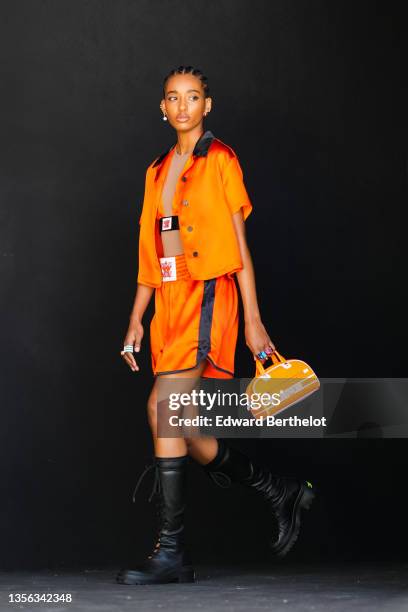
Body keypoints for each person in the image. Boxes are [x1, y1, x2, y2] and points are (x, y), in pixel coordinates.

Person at [116, 66, 315, 586]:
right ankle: (278, 488)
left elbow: (239, 247)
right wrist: (137, 318)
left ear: (208, 105)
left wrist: (253, 320)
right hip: (169, 298)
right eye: (173, 98)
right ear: (162, 107)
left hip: (209, 294)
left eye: (194, 97)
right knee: (176, 420)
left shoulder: (221, 159)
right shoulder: (156, 170)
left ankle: (171, 551)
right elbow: (148, 253)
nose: (183, 106)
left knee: (163, 407)